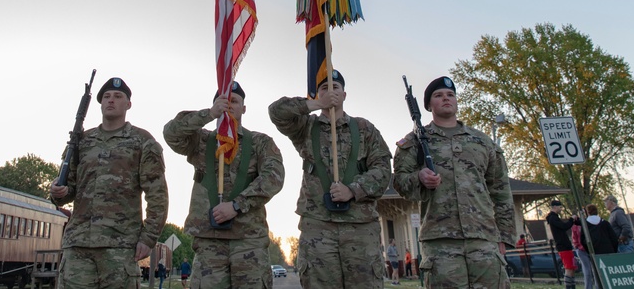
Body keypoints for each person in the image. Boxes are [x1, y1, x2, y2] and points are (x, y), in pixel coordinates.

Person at [269, 70, 392, 289]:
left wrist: (354, 190)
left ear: (344, 95)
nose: (331, 92)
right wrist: (314, 105)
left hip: (360, 228)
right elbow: (276, 112)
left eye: (336, 87)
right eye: (324, 88)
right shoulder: (305, 127)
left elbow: (382, 169)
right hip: (318, 227)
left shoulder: (365, 129)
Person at [392, 76, 516, 289]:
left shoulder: (482, 142)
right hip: (440, 241)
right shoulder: (414, 142)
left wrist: (504, 236)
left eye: (450, 95)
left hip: (483, 237)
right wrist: (419, 177)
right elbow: (400, 183)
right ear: (429, 105)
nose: (446, 99)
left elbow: (500, 190)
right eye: (438, 96)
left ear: (457, 101)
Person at [164, 81, 285, 289]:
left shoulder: (260, 142)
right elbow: (171, 133)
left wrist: (236, 205)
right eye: (224, 101)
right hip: (210, 241)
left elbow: (274, 178)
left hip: (249, 241)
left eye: (235, 101)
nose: (229, 105)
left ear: (244, 108)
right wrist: (208, 114)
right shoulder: (200, 141)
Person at [50, 77, 169, 289]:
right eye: (106, 97)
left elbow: (157, 195)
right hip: (78, 245)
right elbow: (69, 189)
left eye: (117, 96)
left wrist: (148, 238)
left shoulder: (143, 141)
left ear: (128, 104)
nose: (111, 100)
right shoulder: (83, 141)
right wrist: (57, 191)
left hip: (120, 247)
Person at [546, 200, 577, 289]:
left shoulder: (554, 217)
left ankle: (572, 286)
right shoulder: (553, 218)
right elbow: (564, 227)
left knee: (571, 267)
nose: (561, 209)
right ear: (555, 207)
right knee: (568, 267)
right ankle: (568, 286)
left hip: (565, 246)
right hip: (563, 246)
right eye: (560, 207)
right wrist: (571, 219)